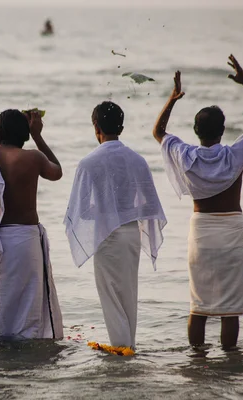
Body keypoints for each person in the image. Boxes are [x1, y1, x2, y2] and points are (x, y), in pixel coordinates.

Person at [153, 55, 243, 350]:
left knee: (199, 305)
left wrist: (172, 99)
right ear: (223, 130)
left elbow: (158, 132)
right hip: (232, 230)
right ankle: (229, 360)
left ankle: (197, 362)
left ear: (196, 132)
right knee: (230, 308)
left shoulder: (185, 155)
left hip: (202, 233)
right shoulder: (236, 153)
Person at [63, 101, 167, 350]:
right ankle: (128, 346)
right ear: (121, 126)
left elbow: (81, 212)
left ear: (96, 127)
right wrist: (123, 212)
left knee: (111, 297)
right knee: (129, 294)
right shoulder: (137, 160)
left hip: (107, 236)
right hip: (131, 233)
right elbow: (150, 206)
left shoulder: (89, 162)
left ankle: (123, 351)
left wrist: (108, 213)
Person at [0, 109, 63, 340]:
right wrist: (38, 136)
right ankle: (27, 350)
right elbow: (57, 172)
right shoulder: (33, 158)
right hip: (25, 240)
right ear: (24, 132)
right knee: (29, 303)